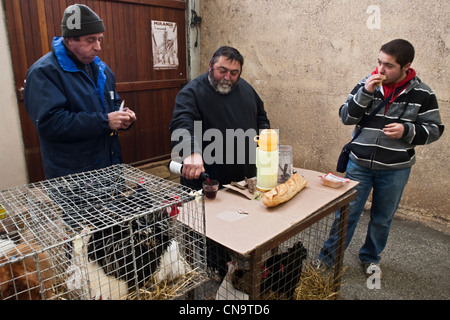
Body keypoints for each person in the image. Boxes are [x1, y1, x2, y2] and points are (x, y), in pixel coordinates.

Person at [318, 39, 444, 277]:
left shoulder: (423, 93)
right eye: (379, 62)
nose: (380, 70)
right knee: (347, 214)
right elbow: (346, 117)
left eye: (389, 66)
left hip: (396, 169)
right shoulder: (367, 82)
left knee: (382, 218)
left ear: (406, 66)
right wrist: (366, 92)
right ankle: (328, 257)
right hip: (359, 164)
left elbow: (435, 129)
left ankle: (370, 257)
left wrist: (407, 131)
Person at [24, 4, 136, 180]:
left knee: (112, 206)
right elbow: (50, 124)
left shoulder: (102, 69)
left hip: (109, 167)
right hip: (74, 176)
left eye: (100, 39)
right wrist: (105, 121)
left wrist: (123, 117)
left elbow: (112, 104)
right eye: (90, 40)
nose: (98, 47)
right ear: (69, 40)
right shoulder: (44, 73)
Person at [169, 46, 270, 190]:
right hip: (208, 183)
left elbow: (261, 117)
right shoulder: (191, 92)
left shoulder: (247, 89)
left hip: (246, 180)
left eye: (234, 73)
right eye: (222, 71)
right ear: (210, 66)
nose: (227, 77)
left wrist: (266, 142)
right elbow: (181, 123)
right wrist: (191, 151)